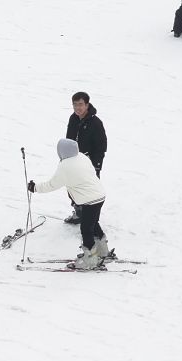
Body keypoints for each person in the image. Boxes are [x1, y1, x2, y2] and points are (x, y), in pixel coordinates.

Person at [28, 138, 109, 270]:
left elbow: (52, 185)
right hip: (100, 195)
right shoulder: (82, 156)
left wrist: (35, 188)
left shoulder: (65, 166)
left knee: (86, 229)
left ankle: (91, 258)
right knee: (93, 223)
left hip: (89, 200)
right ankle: (102, 250)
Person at [63, 91, 107, 224]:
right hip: (73, 161)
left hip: (89, 164)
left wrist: (96, 165)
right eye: (75, 105)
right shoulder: (73, 118)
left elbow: (101, 146)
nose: (77, 108)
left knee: (90, 192)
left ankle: (92, 221)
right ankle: (78, 213)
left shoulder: (96, 123)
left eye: (80, 104)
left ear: (87, 105)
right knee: (72, 188)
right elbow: (69, 139)